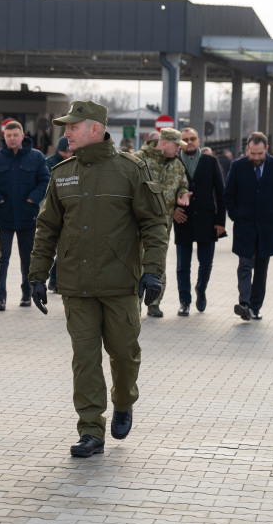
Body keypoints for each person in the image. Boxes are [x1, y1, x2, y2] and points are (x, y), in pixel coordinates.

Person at [28, 100, 168, 458]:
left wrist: (153, 271)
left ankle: (123, 400)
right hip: (76, 286)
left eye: (73, 127)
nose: (66, 133)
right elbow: (46, 229)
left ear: (94, 128)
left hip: (120, 283)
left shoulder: (130, 170)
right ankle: (91, 430)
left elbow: (154, 224)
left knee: (124, 354)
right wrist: (37, 276)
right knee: (85, 359)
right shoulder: (62, 174)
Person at [0, 120, 50, 310]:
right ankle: (0, 298)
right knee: (1, 259)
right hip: (3, 217)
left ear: (22, 136)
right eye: (9, 135)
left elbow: (45, 181)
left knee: (27, 258)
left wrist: (32, 200)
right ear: (4, 137)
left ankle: (26, 295)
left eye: (15, 135)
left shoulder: (36, 157)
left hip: (27, 217)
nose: (12, 139)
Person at [223, 132, 273, 321]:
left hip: (268, 227)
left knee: (261, 269)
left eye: (260, 154)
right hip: (244, 226)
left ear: (266, 149)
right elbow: (228, 194)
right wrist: (235, 215)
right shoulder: (237, 166)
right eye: (252, 154)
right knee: (245, 265)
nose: (256, 158)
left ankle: (255, 306)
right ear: (247, 150)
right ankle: (244, 303)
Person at [132, 128, 191, 317]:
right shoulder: (138, 160)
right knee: (136, 261)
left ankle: (154, 302)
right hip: (138, 223)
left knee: (158, 262)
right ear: (164, 143)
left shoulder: (177, 165)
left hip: (163, 224)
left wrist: (182, 195)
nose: (178, 150)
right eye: (176, 146)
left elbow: (183, 184)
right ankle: (135, 302)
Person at [172, 128, 226, 316]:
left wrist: (221, 222)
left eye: (193, 138)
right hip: (183, 219)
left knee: (206, 263)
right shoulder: (174, 163)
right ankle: (184, 301)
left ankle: (201, 289)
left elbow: (221, 193)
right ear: (180, 142)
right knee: (182, 265)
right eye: (185, 139)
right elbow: (165, 191)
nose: (190, 142)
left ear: (199, 140)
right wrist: (172, 211)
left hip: (207, 219)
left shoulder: (210, 161)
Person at [44, 136, 72, 292]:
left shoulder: (75, 161)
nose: (67, 155)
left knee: (64, 249)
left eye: (69, 152)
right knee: (52, 249)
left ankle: (55, 280)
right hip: (54, 211)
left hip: (69, 212)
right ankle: (51, 279)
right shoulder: (49, 163)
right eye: (64, 152)